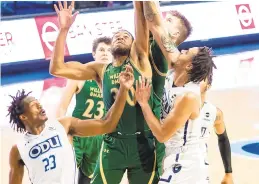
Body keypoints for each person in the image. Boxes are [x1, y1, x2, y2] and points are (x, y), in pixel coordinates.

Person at [50, 1, 159, 183]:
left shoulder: (139, 58)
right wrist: (63, 30)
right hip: (113, 143)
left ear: (134, 44)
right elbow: (57, 68)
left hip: (142, 143)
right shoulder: (100, 70)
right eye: (116, 36)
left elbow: (140, 14)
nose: (119, 37)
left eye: (125, 36)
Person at [7, 65, 134, 184]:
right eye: (34, 105)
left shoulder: (63, 125)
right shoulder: (18, 149)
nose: (40, 105)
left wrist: (123, 90)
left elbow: (107, 124)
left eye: (38, 102)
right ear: (23, 117)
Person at [135, 46, 216, 183]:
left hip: (186, 163)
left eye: (187, 52)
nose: (182, 50)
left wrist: (144, 103)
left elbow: (161, 134)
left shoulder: (188, 97)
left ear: (189, 66)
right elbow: (159, 29)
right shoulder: (173, 73)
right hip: (175, 158)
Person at [136, 1, 193, 175]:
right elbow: (146, 18)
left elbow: (152, 19)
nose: (162, 20)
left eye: (168, 20)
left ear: (175, 34)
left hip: (151, 134)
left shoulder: (163, 52)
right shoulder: (155, 44)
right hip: (145, 128)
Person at [56, 36, 112, 184]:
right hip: (78, 134)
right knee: (66, 175)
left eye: (109, 50)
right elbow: (62, 106)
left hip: (100, 136)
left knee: (86, 180)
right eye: (101, 49)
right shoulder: (80, 77)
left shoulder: (116, 80)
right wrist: (61, 132)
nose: (105, 53)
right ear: (94, 54)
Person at [200, 77, 234, 184]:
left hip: (200, 171)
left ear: (208, 86)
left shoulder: (215, 113)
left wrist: (228, 173)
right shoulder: (177, 106)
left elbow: (223, 138)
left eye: (201, 78)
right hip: (174, 169)